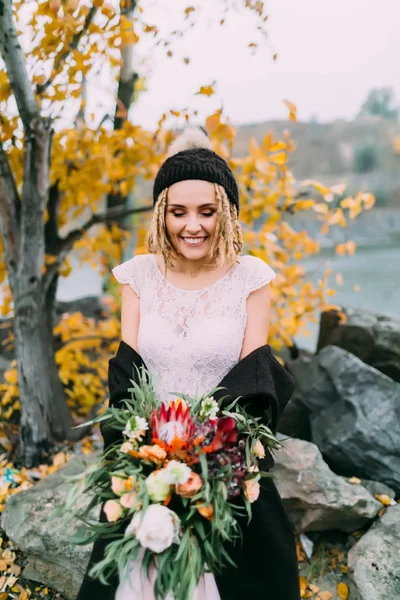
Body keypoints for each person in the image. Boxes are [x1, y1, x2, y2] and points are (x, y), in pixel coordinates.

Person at [76, 128, 300, 600]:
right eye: (178, 212)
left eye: (207, 211)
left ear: (227, 213)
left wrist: (209, 463)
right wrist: (145, 459)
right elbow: (127, 378)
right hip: (146, 458)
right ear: (162, 213)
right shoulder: (136, 276)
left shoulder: (252, 278)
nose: (192, 225)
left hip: (227, 458)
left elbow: (254, 382)